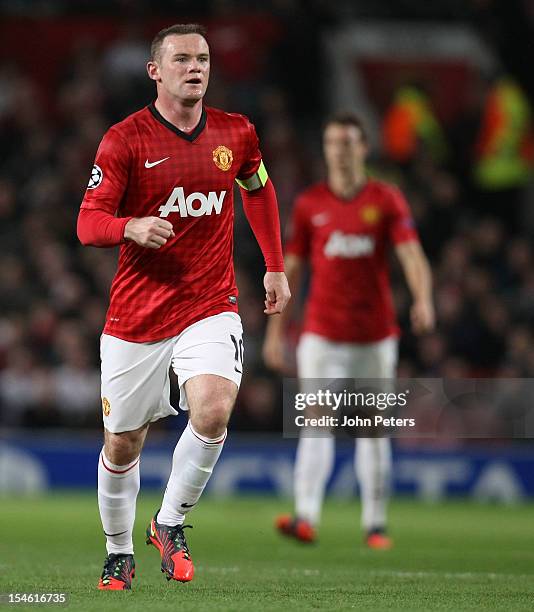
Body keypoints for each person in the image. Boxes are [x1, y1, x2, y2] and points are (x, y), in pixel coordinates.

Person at [77, 23, 290, 591]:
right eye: (181, 59)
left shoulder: (236, 132)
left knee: (215, 408)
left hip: (210, 301)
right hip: (137, 314)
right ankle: (118, 552)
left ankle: (170, 522)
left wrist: (274, 263)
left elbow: (260, 187)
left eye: (202, 58)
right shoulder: (125, 140)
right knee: (124, 442)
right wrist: (130, 226)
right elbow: (86, 222)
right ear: (155, 71)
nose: (194, 67)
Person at [263, 113, 434, 548]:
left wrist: (423, 298)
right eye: (332, 142)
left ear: (363, 148)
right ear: (325, 150)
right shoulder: (309, 205)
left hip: (375, 336)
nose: (339, 150)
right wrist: (274, 334)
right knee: (315, 422)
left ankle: (375, 525)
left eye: (347, 142)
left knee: (373, 427)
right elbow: (291, 274)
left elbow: (411, 255)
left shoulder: (386, 199)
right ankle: (305, 516)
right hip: (321, 333)